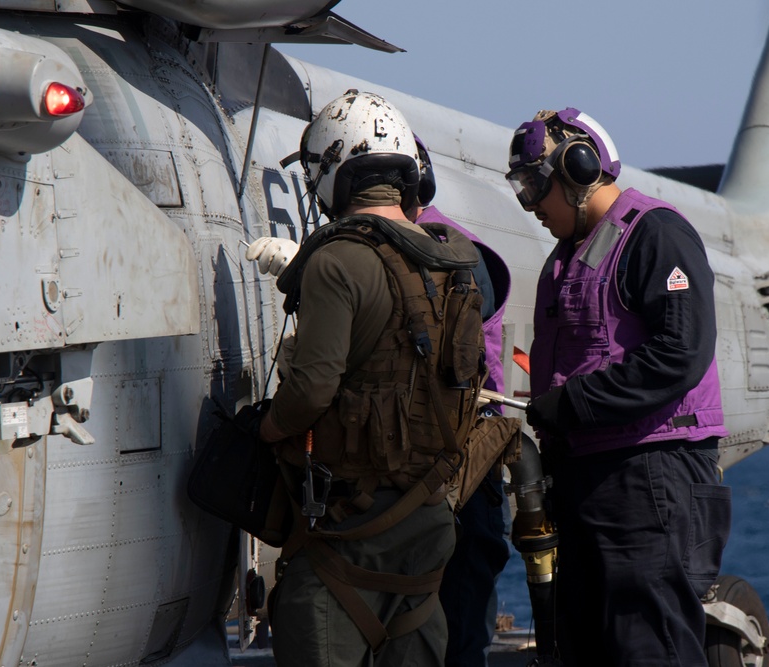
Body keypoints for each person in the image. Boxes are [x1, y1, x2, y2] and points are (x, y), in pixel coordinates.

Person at [245, 89, 486, 667]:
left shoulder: (336, 261)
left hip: (352, 526)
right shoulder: (454, 262)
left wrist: (268, 430)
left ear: (333, 175)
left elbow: (310, 391)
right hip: (427, 523)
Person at [505, 108, 732, 666]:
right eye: (522, 189)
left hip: (648, 477)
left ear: (580, 169)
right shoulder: (568, 257)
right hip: (591, 480)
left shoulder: (656, 234)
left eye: (536, 185)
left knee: (648, 644)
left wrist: (575, 402)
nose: (530, 204)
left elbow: (680, 353)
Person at [411, 135, 513, 667]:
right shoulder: (441, 244)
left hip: (458, 466)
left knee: (455, 628)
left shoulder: (443, 251)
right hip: (459, 465)